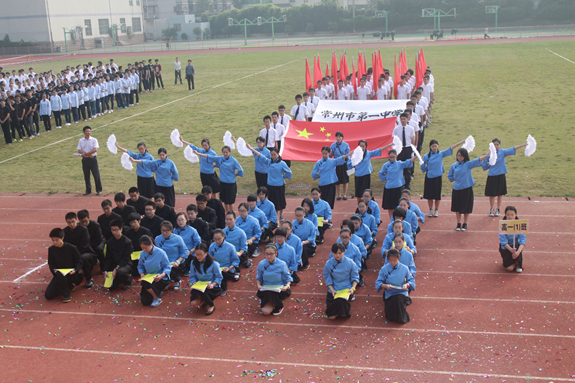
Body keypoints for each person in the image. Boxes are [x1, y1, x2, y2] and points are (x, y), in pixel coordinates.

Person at [482, 139, 528, 217]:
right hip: (492, 176)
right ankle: (492, 209)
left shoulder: (502, 152)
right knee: (492, 194)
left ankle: (498, 209)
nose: (496, 146)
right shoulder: (489, 153)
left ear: (500, 145)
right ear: (491, 145)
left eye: (497, 144)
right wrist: (489, 165)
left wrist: (523, 145)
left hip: (501, 175)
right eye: (494, 144)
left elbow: (513, 148)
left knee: (500, 194)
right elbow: (483, 162)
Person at [448, 148, 490, 231]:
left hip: (467, 189)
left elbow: (478, 159)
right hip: (457, 189)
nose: (459, 157)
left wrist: (487, 156)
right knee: (457, 207)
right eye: (458, 155)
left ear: (464, 157)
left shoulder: (468, 164)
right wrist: (454, 178)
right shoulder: (454, 165)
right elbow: (450, 176)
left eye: (461, 156)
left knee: (466, 207)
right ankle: (458, 223)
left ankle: (465, 223)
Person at [421, 139, 465, 217]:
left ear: (438, 146)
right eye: (432, 146)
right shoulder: (426, 156)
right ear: (430, 147)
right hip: (429, 177)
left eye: (435, 146)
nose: (434, 147)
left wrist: (460, 142)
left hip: (437, 177)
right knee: (429, 195)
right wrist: (424, 167)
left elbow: (450, 148)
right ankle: (430, 210)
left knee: (437, 195)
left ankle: (436, 210)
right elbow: (423, 165)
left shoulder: (441, 154)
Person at [248, 146, 291, 220]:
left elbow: (289, 172)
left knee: (280, 202)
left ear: (278, 154)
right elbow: (260, 155)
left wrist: (283, 177)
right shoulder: (268, 162)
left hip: (279, 186)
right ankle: (276, 219)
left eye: (274, 154)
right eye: (271, 155)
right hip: (271, 186)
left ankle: (281, 213)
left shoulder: (282, 163)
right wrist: (251, 148)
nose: (273, 156)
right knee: (272, 203)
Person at [196, 146, 243, 213]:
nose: (225, 154)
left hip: (231, 183)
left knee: (230, 201)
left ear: (230, 152)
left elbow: (241, 170)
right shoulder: (220, 158)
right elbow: (210, 157)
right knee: (224, 201)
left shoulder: (234, 161)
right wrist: (199, 154)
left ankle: (232, 213)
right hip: (223, 183)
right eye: (224, 152)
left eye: (226, 152)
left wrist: (235, 175)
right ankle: (227, 213)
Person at [375, 248, 415, 324]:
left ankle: (402, 317)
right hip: (389, 292)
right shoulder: (384, 269)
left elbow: (411, 280)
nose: (392, 262)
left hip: (401, 292)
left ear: (398, 258)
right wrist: (385, 286)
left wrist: (407, 284)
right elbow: (378, 282)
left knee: (398, 300)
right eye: (390, 260)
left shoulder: (405, 268)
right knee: (390, 311)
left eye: (394, 260)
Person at [45, 228, 83, 302]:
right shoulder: (51, 250)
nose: (54, 242)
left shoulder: (71, 248)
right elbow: (51, 263)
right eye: (53, 240)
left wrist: (75, 270)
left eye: (56, 240)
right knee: (48, 295)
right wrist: (54, 271)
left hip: (71, 274)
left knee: (63, 279)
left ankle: (66, 294)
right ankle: (67, 287)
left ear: (62, 238)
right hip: (59, 275)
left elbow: (79, 261)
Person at [323, 242, 359, 320]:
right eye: (335, 253)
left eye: (340, 253)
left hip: (346, 289)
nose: (338, 255)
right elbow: (327, 278)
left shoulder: (350, 262)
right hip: (334, 290)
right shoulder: (328, 264)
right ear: (332, 253)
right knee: (332, 317)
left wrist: (353, 288)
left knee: (343, 315)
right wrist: (332, 290)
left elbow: (355, 277)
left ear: (344, 252)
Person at [379, 149, 417, 219]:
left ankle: (401, 218)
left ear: (396, 156)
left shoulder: (400, 164)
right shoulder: (386, 165)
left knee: (400, 205)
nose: (392, 158)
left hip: (398, 188)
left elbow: (408, 162)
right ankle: (391, 220)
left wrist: (416, 156)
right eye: (390, 157)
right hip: (389, 188)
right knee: (390, 206)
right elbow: (381, 173)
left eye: (393, 157)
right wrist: (385, 178)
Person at [63, 212, 97, 288]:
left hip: (87, 253)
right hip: (73, 254)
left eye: (73, 221)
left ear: (76, 220)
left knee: (82, 258)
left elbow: (84, 246)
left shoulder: (83, 230)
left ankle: (89, 279)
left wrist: (74, 256)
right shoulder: (65, 231)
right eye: (69, 222)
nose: (71, 224)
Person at [256, 244, 293, 316]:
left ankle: (279, 306)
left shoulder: (282, 264)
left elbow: (288, 278)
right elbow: (259, 277)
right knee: (265, 312)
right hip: (266, 289)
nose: (269, 256)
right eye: (267, 254)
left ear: (276, 253)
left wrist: (287, 286)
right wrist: (258, 285)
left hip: (279, 288)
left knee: (271, 294)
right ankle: (272, 302)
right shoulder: (261, 264)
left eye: (271, 254)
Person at [137, 235, 171, 307]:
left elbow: (167, 267)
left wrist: (162, 275)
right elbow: (140, 266)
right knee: (145, 302)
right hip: (148, 277)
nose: (144, 250)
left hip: (160, 278)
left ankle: (157, 298)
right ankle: (156, 292)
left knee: (145, 283)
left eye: (145, 248)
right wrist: (142, 273)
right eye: (142, 248)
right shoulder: (142, 253)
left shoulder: (161, 253)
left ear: (151, 244)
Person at [189, 243, 223, 315]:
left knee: (204, 293)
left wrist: (212, 284)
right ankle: (204, 301)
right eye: (196, 254)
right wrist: (194, 282)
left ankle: (211, 305)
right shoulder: (193, 262)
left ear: (206, 253)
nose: (198, 257)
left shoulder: (213, 263)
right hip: (200, 286)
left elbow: (219, 277)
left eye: (200, 254)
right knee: (193, 303)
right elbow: (192, 276)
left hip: (211, 287)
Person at [155, 221, 188, 291]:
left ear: (171, 230)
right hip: (163, 262)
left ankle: (177, 280)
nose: (164, 233)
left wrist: (178, 262)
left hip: (175, 262)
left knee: (171, 269)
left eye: (166, 231)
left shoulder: (178, 239)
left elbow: (185, 252)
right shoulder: (157, 239)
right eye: (162, 231)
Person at [103, 219, 133, 290]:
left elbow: (126, 257)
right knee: (111, 287)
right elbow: (108, 257)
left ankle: (128, 282)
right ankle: (118, 279)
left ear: (121, 229)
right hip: (114, 264)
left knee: (121, 272)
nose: (114, 232)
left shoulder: (127, 242)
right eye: (112, 230)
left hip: (126, 263)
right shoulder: (109, 242)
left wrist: (117, 268)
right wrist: (106, 270)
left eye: (116, 230)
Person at [208, 229, 241, 296]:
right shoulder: (212, 246)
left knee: (221, 274)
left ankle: (223, 288)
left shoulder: (230, 247)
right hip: (215, 267)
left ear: (224, 237)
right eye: (215, 239)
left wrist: (229, 268)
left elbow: (236, 260)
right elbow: (209, 258)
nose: (217, 241)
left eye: (219, 239)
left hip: (226, 269)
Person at [498, 206, 525, 273]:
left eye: (512, 214)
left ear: (515, 215)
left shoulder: (520, 225)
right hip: (506, 248)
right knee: (509, 268)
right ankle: (513, 263)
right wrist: (510, 249)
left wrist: (518, 252)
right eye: (508, 214)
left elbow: (523, 239)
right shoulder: (502, 226)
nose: (510, 216)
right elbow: (503, 241)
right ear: (505, 215)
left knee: (517, 245)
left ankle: (518, 263)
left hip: (516, 247)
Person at [125, 212, 152, 276]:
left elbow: (149, 244)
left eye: (134, 222)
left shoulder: (146, 231)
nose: (133, 224)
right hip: (134, 254)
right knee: (134, 273)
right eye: (131, 223)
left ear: (139, 221)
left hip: (144, 252)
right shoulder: (128, 232)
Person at [77, 126, 102, 196]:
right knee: (86, 175)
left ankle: (99, 190)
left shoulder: (94, 140)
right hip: (85, 160)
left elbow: (95, 149)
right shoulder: (81, 140)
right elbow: (79, 150)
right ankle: (88, 190)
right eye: (87, 131)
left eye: (89, 131)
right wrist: (86, 154)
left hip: (92, 159)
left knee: (96, 175)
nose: (88, 133)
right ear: (83, 132)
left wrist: (86, 154)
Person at [292, 207, 316, 271]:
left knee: (302, 248)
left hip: (308, 245)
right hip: (296, 244)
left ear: (304, 214)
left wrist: (303, 242)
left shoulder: (310, 224)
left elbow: (312, 238)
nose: (298, 217)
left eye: (300, 215)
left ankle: (306, 263)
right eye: (297, 215)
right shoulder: (292, 224)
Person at [330, 132, 350, 201]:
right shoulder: (333, 145)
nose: (338, 138)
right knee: (337, 181)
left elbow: (348, 155)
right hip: (336, 164)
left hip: (344, 164)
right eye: (337, 136)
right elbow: (331, 155)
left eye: (340, 136)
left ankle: (344, 194)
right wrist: (329, 153)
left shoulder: (346, 145)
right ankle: (339, 194)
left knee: (345, 180)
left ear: (342, 137)